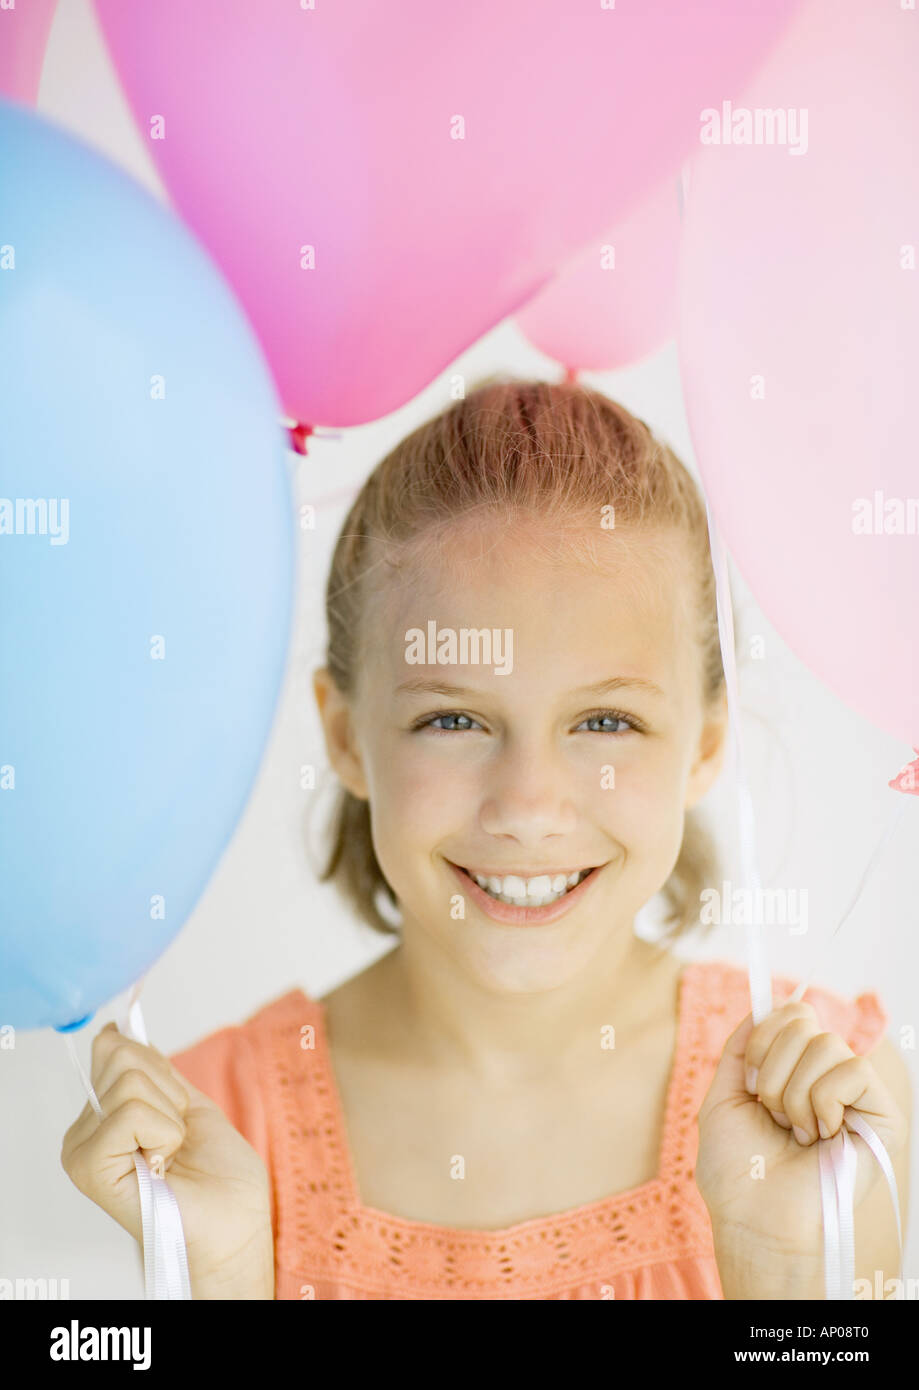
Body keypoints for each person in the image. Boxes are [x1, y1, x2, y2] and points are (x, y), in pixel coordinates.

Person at [61, 378, 910, 1299]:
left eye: (606, 723)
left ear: (704, 744)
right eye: (454, 722)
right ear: (345, 736)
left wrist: (786, 1274)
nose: (528, 806)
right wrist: (219, 1278)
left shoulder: (825, 1104)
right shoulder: (211, 1128)